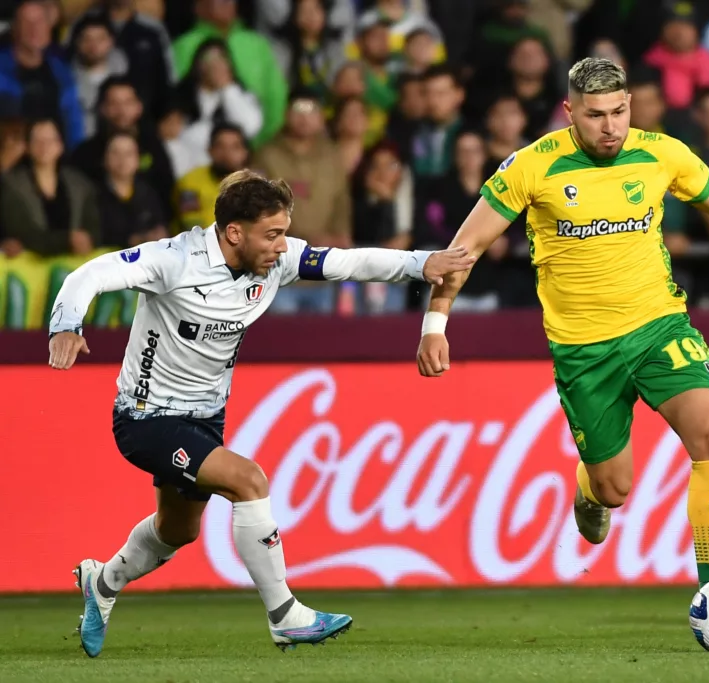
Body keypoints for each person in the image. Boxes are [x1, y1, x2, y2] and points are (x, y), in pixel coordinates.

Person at [415, 57, 709, 640]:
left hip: (660, 326)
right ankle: (590, 488)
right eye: (596, 115)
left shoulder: (661, 153)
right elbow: (465, 248)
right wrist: (436, 323)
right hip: (585, 353)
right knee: (615, 488)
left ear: (631, 104)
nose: (610, 126)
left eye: (619, 112)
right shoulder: (532, 167)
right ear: (570, 112)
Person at [48, 170, 475, 657]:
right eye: (272, 234)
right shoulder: (174, 260)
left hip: (205, 417)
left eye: (284, 233)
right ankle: (285, 615)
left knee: (177, 530)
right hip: (146, 417)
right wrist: (66, 324)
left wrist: (424, 264)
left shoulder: (275, 261)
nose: (281, 245)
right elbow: (90, 274)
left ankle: (101, 583)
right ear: (235, 233)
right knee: (249, 481)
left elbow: (349, 261)